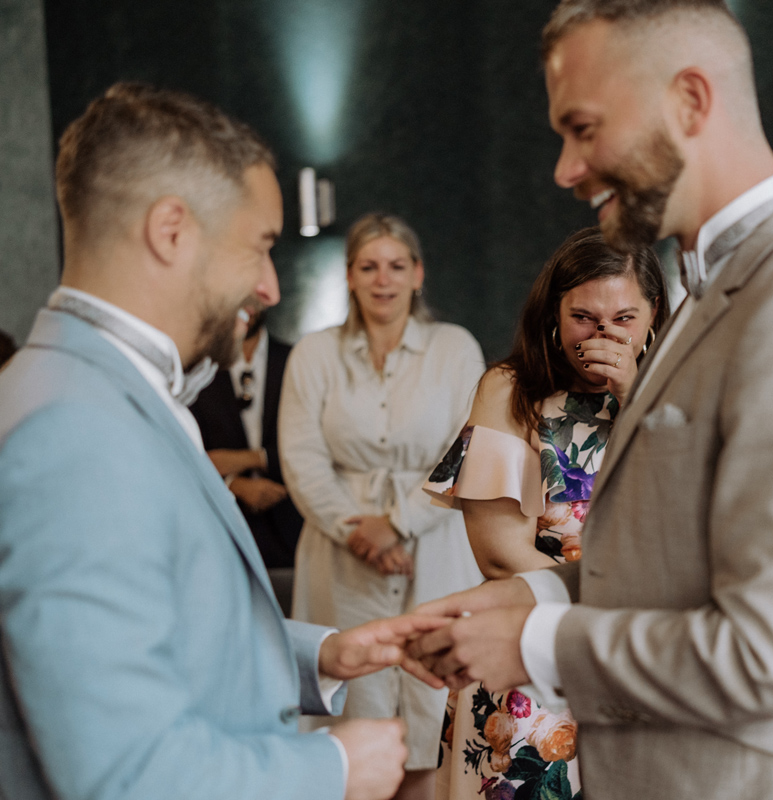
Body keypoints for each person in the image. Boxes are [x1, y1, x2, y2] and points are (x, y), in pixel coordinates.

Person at [405, 3, 773, 799]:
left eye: (583, 128)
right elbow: (671, 568)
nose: (565, 169)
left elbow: (770, 655)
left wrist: (538, 641)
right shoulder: (715, 288)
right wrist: (516, 602)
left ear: (690, 100)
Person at [0, 83, 445, 800]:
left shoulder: (98, 388)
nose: (270, 288)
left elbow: (163, 626)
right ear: (171, 231)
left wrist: (322, 655)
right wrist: (333, 768)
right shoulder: (72, 433)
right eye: (260, 246)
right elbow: (125, 775)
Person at [423, 227, 666, 800]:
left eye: (624, 319)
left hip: (641, 660)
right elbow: (498, 555)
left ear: (654, 316)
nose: (603, 336)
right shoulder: (509, 390)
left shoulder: (678, 399)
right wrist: (603, 616)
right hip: (530, 654)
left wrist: (636, 398)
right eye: (584, 318)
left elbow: (687, 521)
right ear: (554, 315)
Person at [279, 212, 486, 800]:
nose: (382, 280)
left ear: (418, 273)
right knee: (354, 696)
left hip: (435, 543)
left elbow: (467, 448)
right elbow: (301, 456)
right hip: (339, 553)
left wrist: (398, 525)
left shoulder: (454, 347)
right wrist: (357, 532)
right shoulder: (314, 354)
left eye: (396, 266)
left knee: (433, 701)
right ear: (349, 276)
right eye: (368, 267)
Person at [190, 307, 305, 586]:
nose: (248, 305)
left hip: (293, 533)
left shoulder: (297, 359)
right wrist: (231, 485)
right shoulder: (197, 365)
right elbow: (187, 453)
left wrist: (252, 459)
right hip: (220, 537)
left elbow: (316, 445)